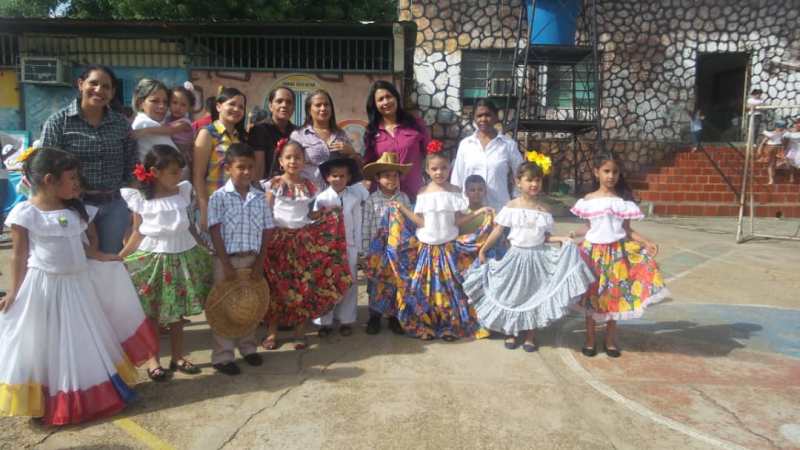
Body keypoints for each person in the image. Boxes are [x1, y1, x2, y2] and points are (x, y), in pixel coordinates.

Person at [0, 147, 139, 425]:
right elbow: (18, 256)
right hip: (45, 289)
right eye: (72, 178)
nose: (78, 183)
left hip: (78, 288)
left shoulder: (75, 210)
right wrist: (14, 292)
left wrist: (103, 257)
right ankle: (54, 398)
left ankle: (89, 395)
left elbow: (84, 249)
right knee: (49, 344)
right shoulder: (25, 214)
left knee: (81, 341)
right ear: (49, 180)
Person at [464, 160, 594, 352]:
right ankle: (511, 331)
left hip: (537, 258)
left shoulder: (544, 211)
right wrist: (483, 249)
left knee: (534, 294)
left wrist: (564, 239)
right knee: (512, 295)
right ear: (519, 182)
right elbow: (498, 231)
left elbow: (545, 238)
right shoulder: (511, 207)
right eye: (529, 180)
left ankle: (530, 336)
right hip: (515, 257)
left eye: (538, 180)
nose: (534, 184)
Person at [119, 145, 213, 379]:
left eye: (179, 171)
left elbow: (189, 225)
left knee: (178, 313)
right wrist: (120, 257)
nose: (179, 175)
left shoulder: (182, 192)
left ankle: (178, 356)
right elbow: (137, 231)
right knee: (152, 312)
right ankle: (153, 360)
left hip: (183, 256)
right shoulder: (140, 198)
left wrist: (203, 245)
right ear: (155, 171)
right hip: (153, 259)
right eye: (173, 172)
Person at [570, 152, 669, 358]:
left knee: (613, 296)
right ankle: (589, 339)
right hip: (592, 255)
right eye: (606, 171)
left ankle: (609, 339)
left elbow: (627, 230)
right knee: (592, 296)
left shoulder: (622, 203)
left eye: (615, 172)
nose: (611, 176)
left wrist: (646, 241)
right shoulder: (588, 201)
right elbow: (588, 227)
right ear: (597, 172)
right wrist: (572, 235)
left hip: (616, 255)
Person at [390, 142, 494, 340]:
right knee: (425, 290)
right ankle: (426, 325)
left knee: (450, 290)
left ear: (450, 168)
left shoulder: (455, 191)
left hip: (448, 249)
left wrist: (479, 212)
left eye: (444, 168)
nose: (439, 172)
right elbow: (420, 221)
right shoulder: (422, 192)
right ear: (427, 170)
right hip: (426, 249)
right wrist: (403, 210)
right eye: (434, 169)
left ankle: (449, 326)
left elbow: (458, 220)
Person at [261, 139, 352, 351]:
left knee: (302, 285)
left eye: (298, 157)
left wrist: (325, 215)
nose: (294, 161)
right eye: (289, 157)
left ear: (304, 161)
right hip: (277, 242)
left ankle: (299, 332)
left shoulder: (310, 185)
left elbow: (308, 213)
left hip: (302, 242)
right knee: (276, 287)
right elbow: (266, 212)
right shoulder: (274, 184)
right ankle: (272, 332)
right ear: (281, 161)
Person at [40, 65, 137, 253]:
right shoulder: (58, 122)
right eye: (93, 83)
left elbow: (131, 164)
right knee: (76, 260)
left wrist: (132, 205)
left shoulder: (120, 124)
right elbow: (46, 167)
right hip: (73, 206)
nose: (99, 90)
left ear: (113, 92)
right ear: (80, 84)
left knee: (109, 262)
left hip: (114, 206)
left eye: (106, 86)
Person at [207, 143, 271, 375]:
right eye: (240, 167)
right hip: (226, 260)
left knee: (248, 304)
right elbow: (214, 231)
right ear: (227, 168)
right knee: (225, 306)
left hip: (251, 259)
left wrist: (260, 262)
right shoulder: (219, 197)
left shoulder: (259, 197)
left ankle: (248, 347)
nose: (246, 172)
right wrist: (225, 264)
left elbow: (267, 230)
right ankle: (223, 355)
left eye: (250, 167)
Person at [312, 156, 365, 337]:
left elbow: (358, 224)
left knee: (349, 283)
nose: (338, 179)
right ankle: (324, 321)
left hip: (348, 246)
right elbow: (316, 225)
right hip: (327, 248)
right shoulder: (321, 199)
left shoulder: (354, 199)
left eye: (342, 176)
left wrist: (358, 249)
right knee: (326, 282)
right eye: (334, 176)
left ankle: (346, 319)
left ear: (348, 178)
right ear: (327, 177)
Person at [361, 152, 412, 335]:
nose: (391, 179)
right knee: (375, 282)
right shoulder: (371, 200)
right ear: (377, 178)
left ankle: (393, 318)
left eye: (395, 175)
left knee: (395, 283)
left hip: (397, 250)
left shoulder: (404, 199)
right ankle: (374, 317)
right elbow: (366, 224)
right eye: (386, 176)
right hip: (377, 250)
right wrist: (365, 250)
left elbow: (409, 222)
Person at [451, 99, 524, 211]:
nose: (483, 119)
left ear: (495, 117)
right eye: (479, 116)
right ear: (474, 119)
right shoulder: (466, 144)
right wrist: (456, 207)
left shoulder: (508, 145)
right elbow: (457, 178)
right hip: (470, 213)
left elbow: (521, 174)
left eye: (488, 115)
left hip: (500, 211)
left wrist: (516, 198)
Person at [363, 80, 431, 200]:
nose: (385, 102)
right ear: (375, 105)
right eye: (380, 99)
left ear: (396, 98)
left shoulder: (415, 124)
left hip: (414, 195)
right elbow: (369, 164)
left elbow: (430, 154)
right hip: (383, 198)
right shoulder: (371, 132)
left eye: (389, 96)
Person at [193, 87, 247, 235]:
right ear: (218, 106)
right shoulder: (207, 134)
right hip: (213, 205)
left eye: (241, 107)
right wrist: (204, 209)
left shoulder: (239, 138)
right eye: (232, 104)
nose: (236, 109)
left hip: (235, 206)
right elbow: (198, 175)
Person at [290, 89, 359, 189]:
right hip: (308, 194)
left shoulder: (340, 134)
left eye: (326, 105)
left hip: (336, 194)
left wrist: (351, 152)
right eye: (318, 105)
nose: (323, 108)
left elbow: (353, 167)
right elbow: (290, 166)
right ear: (309, 110)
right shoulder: (299, 136)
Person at [249, 86, 298, 180]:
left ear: (293, 108)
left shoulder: (297, 133)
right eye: (279, 101)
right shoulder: (259, 130)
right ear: (270, 106)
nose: (284, 105)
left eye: (289, 102)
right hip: (266, 189)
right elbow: (258, 169)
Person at [130, 79, 183, 163]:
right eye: (155, 101)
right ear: (140, 103)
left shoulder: (144, 122)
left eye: (165, 102)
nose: (162, 106)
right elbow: (179, 162)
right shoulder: (146, 124)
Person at [165, 83, 198, 180]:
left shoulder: (185, 123)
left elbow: (168, 130)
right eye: (174, 102)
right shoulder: (167, 119)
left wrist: (145, 130)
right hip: (168, 160)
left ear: (189, 108)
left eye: (183, 105)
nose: (178, 107)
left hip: (181, 164)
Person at [756, 120, 787, 185]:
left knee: (773, 164)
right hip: (773, 148)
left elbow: (764, 141)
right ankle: (771, 179)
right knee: (771, 164)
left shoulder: (782, 133)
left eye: (781, 127)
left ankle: (772, 178)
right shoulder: (774, 133)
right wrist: (760, 148)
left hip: (775, 148)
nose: (780, 128)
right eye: (779, 127)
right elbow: (764, 141)